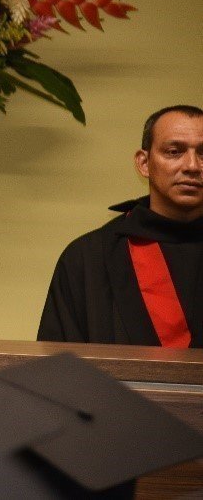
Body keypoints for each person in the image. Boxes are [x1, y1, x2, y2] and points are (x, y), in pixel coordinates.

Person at [37, 105, 203, 347]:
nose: (192, 166)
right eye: (174, 151)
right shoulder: (88, 257)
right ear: (144, 163)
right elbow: (59, 369)